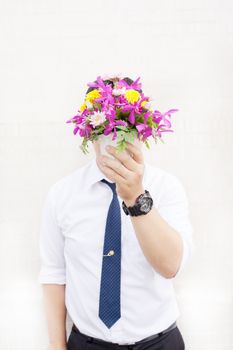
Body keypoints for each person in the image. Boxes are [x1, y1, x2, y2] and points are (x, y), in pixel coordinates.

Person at [38, 78, 194, 350]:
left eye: (125, 123)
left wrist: (136, 196)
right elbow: (54, 275)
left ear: (140, 130)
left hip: (159, 343)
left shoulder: (166, 187)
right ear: (90, 131)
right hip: (87, 344)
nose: (115, 135)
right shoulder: (62, 194)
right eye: (105, 125)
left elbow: (171, 267)